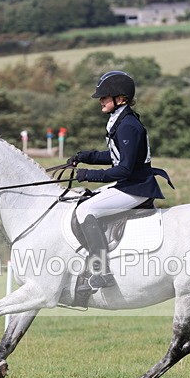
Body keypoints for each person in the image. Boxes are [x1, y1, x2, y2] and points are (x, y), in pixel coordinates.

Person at [71, 70, 173, 290]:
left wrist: (89, 174)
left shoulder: (128, 125)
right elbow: (118, 155)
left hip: (136, 187)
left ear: (121, 98)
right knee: (81, 201)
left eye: (105, 97)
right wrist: (87, 156)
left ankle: (102, 271)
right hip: (130, 184)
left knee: (84, 211)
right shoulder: (121, 121)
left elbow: (124, 169)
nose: (100, 101)